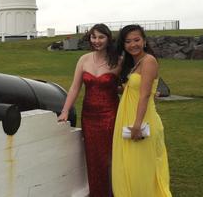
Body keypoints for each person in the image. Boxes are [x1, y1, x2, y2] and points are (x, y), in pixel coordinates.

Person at [58, 24, 120, 197]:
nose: (97, 41)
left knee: (109, 159)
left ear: (108, 38)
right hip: (89, 117)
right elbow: (74, 88)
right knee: (93, 159)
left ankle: (115, 193)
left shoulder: (118, 60)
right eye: (94, 37)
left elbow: (128, 86)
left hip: (110, 115)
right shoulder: (84, 59)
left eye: (101, 37)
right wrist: (65, 111)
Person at [112, 24, 172, 196]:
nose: (133, 44)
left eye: (136, 40)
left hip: (142, 119)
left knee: (141, 168)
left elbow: (144, 95)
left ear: (144, 41)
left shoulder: (149, 61)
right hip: (127, 117)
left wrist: (137, 125)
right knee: (129, 165)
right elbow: (133, 89)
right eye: (128, 41)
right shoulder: (134, 63)